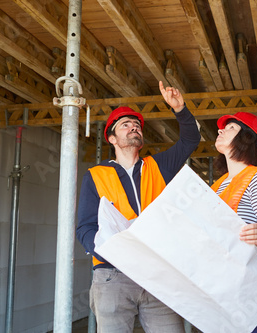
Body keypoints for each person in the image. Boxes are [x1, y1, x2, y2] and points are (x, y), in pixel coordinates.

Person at [76, 81, 200, 332]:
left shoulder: (158, 166)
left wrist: (180, 109)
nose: (134, 127)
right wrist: (105, 250)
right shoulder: (96, 175)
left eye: (137, 125)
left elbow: (190, 140)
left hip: (157, 274)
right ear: (111, 138)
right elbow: (85, 227)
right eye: (126, 124)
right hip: (112, 274)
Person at [210, 112, 257, 333]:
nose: (220, 130)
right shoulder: (217, 185)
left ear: (247, 139)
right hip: (222, 286)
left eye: (230, 128)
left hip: (251, 288)